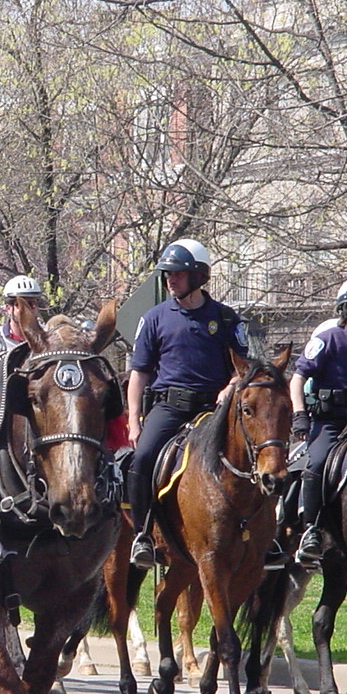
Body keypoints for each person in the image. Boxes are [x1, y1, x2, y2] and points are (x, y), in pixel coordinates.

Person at [126, 239, 248, 569]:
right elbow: (139, 373)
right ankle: (142, 536)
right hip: (170, 407)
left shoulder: (225, 318)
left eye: (178, 274)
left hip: (215, 410)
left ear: (198, 276)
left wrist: (230, 387)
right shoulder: (154, 318)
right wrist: (134, 421)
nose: (171, 280)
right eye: (168, 274)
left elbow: (242, 369)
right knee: (142, 458)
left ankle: (266, 538)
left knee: (255, 456)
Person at [289, 276, 347, 565]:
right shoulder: (328, 340)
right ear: (346, 309)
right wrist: (300, 415)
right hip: (331, 421)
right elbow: (297, 379)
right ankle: (311, 529)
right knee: (318, 462)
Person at [0, 275, 44, 375]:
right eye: (21, 305)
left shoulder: (47, 338)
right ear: (8, 308)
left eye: (32, 304)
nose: (28, 311)